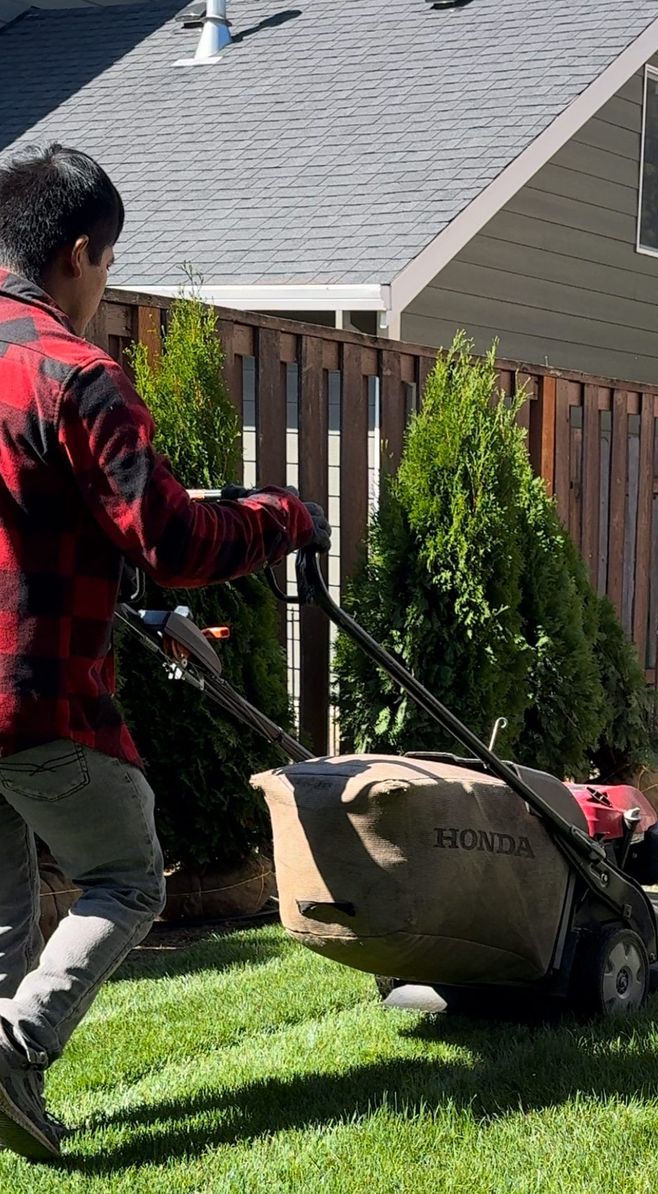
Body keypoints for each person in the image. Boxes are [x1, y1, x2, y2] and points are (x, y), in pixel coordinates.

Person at [0, 143, 330, 1162]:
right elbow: (173, 539)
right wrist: (284, 516)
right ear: (83, 252)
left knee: (5, 925)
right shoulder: (76, 374)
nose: (104, 287)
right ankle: (16, 1047)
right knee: (129, 873)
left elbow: (43, 524)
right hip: (33, 698)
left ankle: (13, 1095)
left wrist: (144, 618)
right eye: (108, 265)